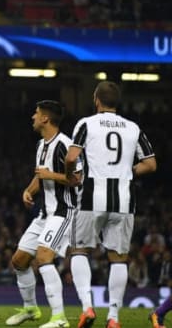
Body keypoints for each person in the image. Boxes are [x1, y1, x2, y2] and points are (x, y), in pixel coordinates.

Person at [65, 81, 156, 328]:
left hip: (92, 196)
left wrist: (70, 175)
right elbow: (150, 164)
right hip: (124, 200)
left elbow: (72, 156)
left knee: (79, 250)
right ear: (117, 102)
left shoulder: (86, 123)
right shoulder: (133, 127)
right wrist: (128, 171)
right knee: (118, 258)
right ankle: (114, 318)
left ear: (96, 100)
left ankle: (87, 307)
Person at [5, 101, 81, 328]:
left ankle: (59, 318)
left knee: (44, 256)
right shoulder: (42, 145)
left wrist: (50, 175)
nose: (32, 117)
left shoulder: (65, 145)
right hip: (44, 213)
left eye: (36, 113)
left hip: (64, 211)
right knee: (19, 261)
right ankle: (31, 309)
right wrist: (29, 190)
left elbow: (77, 179)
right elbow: (41, 175)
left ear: (45, 118)